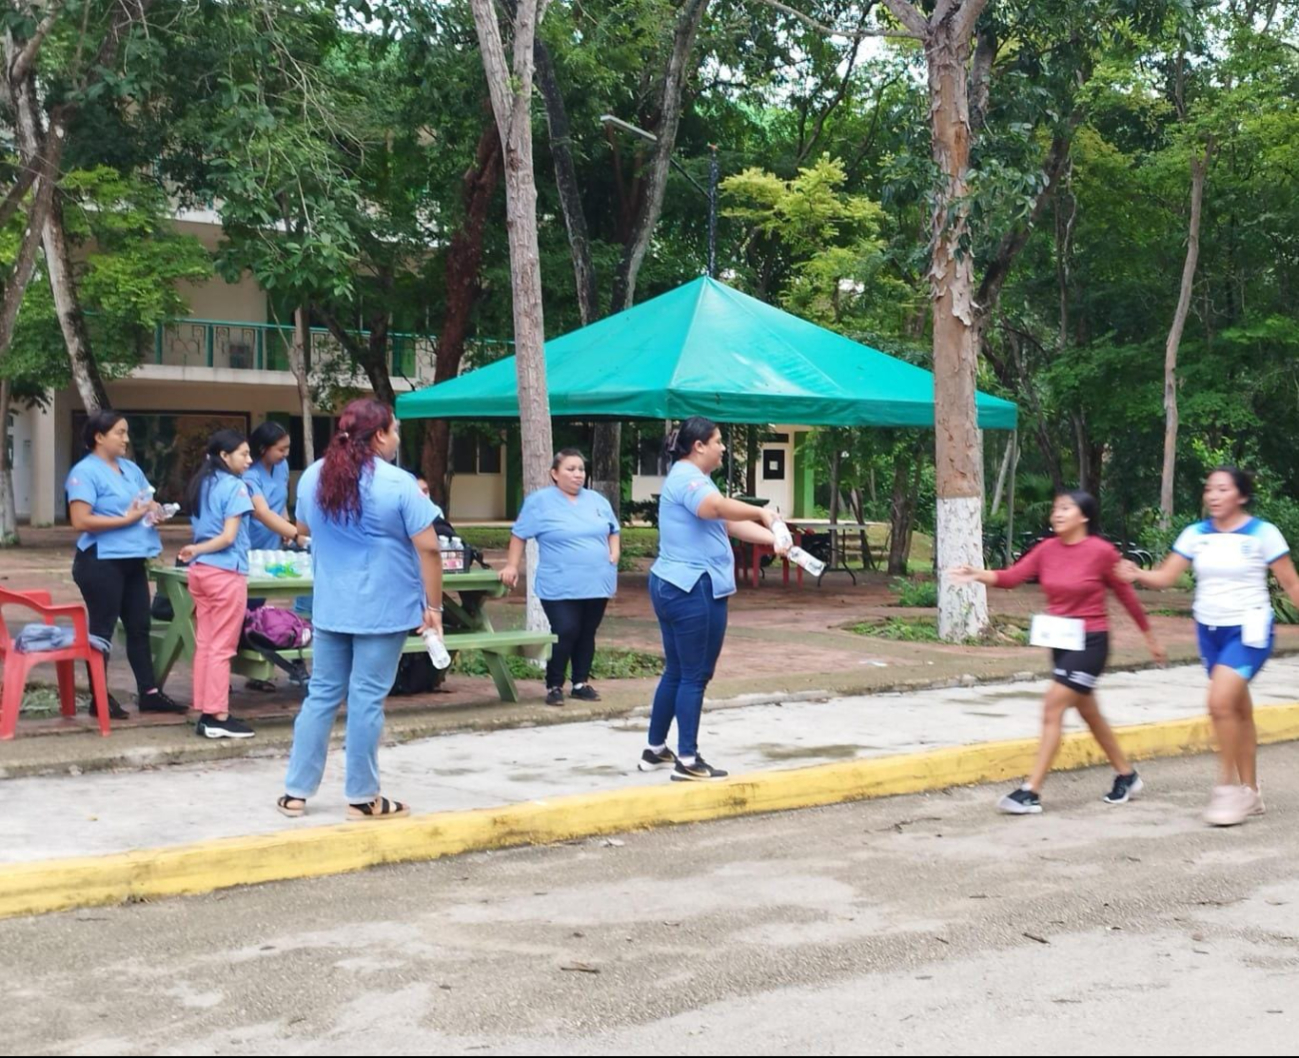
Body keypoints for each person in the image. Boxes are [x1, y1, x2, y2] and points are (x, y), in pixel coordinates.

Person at [278, 399, 444, 821]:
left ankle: (295, 792)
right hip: (384, 606)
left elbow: (304, 529)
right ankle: (362, 796)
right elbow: (429, 547)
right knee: (367, 698)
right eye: (396, 430)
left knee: (322, 694)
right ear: (380, 435)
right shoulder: (398, 483)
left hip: (333, 603)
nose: (398, 438)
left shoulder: (315, 475)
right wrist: (435, 607)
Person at [950, 491, 1166, 815]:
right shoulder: (1047, 549)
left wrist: (1149, 636)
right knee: (1089, 713)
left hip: (1091, 642)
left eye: (1066, 508)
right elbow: (1013, 577)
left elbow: (1126, 595)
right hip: (1061, 642)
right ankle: (1127, 775)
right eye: (1055, 509)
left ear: (1084, 517)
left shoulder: (1101, 552)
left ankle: (1030, 791)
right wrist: (977, 574)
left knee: (1053, 707)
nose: (1058, 514)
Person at [1117, 466, 1299, 826]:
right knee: (1238, 711)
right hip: (1209, 630)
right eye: (1209, 489)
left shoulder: (1263, 533)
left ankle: (1227, 790)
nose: (1213, 496)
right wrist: (1138, 574)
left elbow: (1291, 584)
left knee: (1218, 703)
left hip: (1248, 630)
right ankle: (1252, 793)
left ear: (1241, 496)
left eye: (1222, 489)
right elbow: (1167, 577)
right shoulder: (1195, 534)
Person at [641, 416, 786, 781]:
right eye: (718, 441)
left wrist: (774, 539)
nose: (723, 447)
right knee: (695, 675)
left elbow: (726, 523)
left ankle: (655, 749)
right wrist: (762, 512)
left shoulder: (694, 480)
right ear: (698, 446)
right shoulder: (688, 479)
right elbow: (717, 510)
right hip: (693, 588)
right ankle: (688, 760)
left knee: (676, 670)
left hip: (672, 583)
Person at [66, 410, 184, 720]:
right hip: (101, 561)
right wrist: (126, 519)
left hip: (133, 558)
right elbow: (80, 520)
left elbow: (147, 501)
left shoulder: (130, 469)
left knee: (139, 626)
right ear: (99, 437)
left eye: (127, 432)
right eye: (120, 432)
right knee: (101, 631)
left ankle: (149, 693)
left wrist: (156, 510)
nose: (126, 439)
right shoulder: (85, 472)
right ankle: (99, 698)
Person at [500, 449, 620, 705]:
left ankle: (580, 682)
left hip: (597, 580)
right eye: (570, 469)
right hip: (559, 581)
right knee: (566, 630)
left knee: (587, 632)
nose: (578, 475)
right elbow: (519, 534)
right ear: (554, 473)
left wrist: (614, 552)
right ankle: (554, 684)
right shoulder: (540, 502)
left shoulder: (597, 501)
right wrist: (511, 565)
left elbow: (613, 529)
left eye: (581, 469)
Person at [178, 430, 256, 739]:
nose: (249, 460)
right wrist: (197, 548)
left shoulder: (203, 483)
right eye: (244, 454)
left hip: (201, 574)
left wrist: (196, 552)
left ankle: (206, 710)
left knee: (207, 645)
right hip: (226, 573)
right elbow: (227, 537)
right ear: (225, 456)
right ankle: (218, 715)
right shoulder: (235, 487)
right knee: (222, 648)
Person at [242, 421, 307, 691]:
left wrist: (287, 526)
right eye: (280, 449)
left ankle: (258, 671)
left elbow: (278, 505)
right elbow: (260, 511)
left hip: (271, 546)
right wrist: (295, 534)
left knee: (258, 608)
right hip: (248, 546)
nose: (285, 455)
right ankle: (249, 666)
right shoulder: (249, 474)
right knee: (243, 609)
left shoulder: (279, 468)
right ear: (263, 448)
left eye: (287, 448)